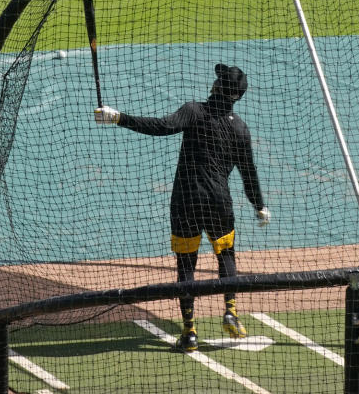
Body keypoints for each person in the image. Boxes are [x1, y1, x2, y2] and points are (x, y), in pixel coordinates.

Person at [94, 64, 271, 352]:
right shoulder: (240, 128)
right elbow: (248, 173)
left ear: (216, 87)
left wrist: (118, 118)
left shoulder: (193, 110)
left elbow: (161, 127)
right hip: (219, 202)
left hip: (185, 201)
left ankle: (189, 332)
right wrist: (259, 205)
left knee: (186, 266)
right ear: (238, 96)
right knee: (225, 254)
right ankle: (231, 311)